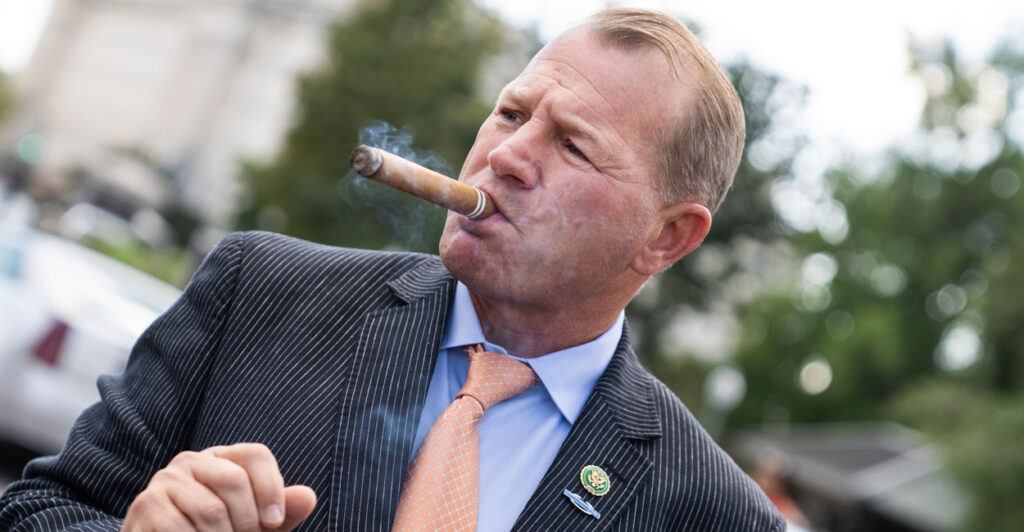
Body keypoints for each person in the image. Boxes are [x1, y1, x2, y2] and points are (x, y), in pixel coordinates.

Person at [0, 8, 785, 532]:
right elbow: (41, 507)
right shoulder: (259, 292)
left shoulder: (711, 510)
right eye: (511, 114)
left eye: (573, 145)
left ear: (668, 238)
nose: (506, 155)